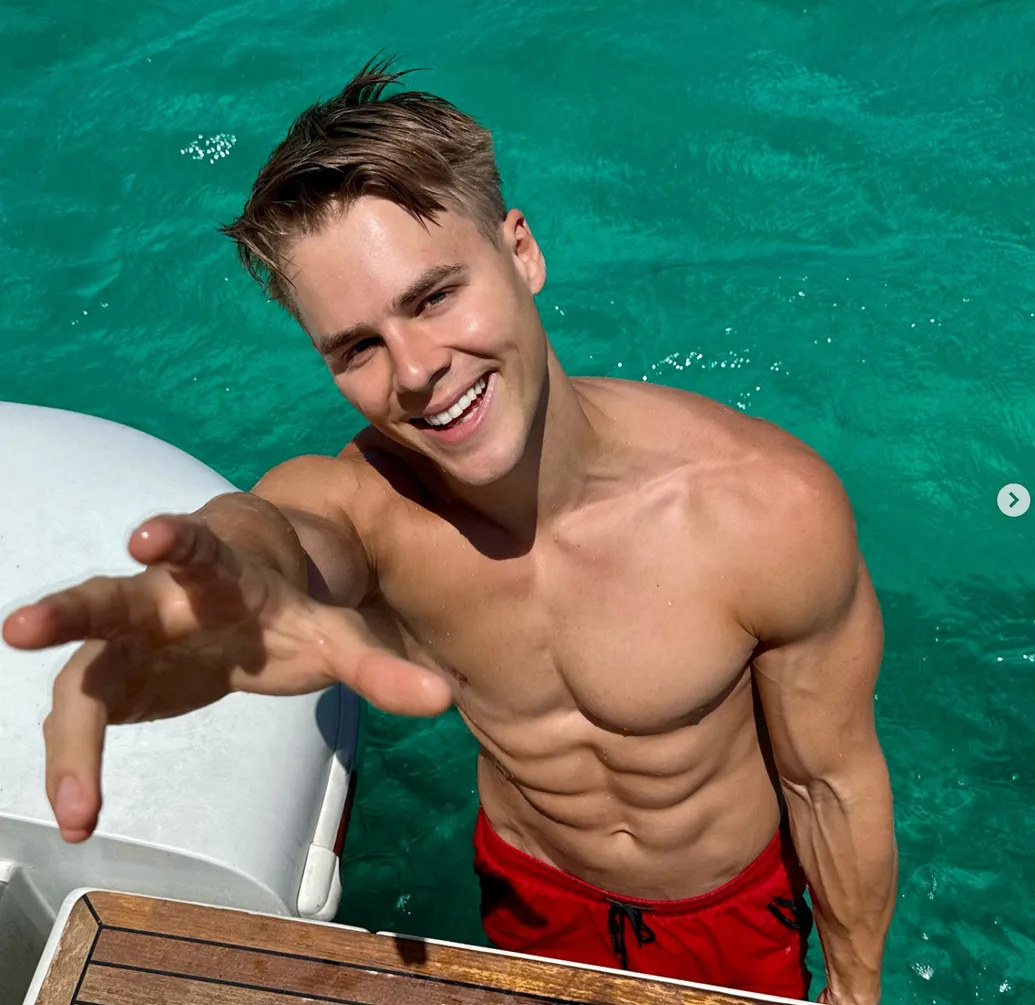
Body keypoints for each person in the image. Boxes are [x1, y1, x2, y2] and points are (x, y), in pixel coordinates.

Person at [2, 57, 897, 1004]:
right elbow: (283, 531)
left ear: (521, 253)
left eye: (433, 297)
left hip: (720, 909)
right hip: (529, 887)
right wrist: (232, 573)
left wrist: (853, 989)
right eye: (358, 346)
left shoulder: (764, 509)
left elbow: (828, 784)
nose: (416, 370)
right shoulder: (371, 512)